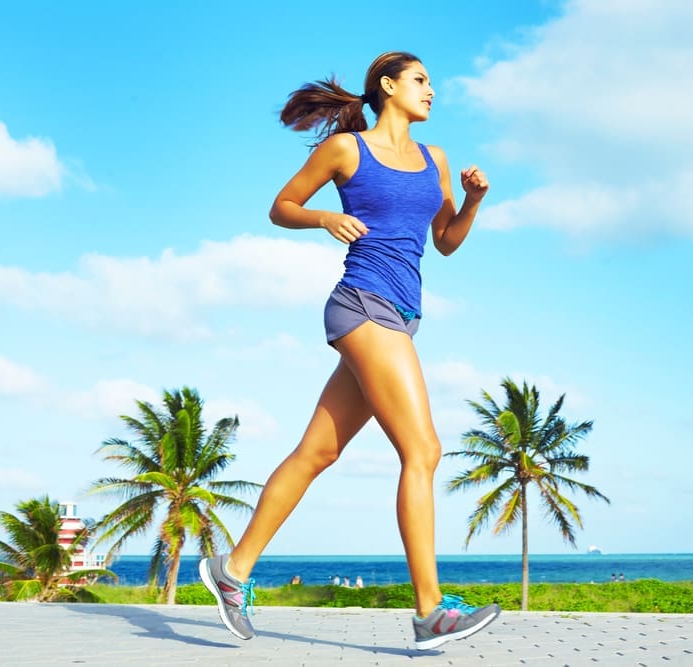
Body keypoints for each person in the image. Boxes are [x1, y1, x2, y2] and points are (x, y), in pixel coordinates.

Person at [198, 51, 500, 651]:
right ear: (388, 87)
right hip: (363, 305)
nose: (431, 91)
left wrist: (470, 203)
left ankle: (231, 572)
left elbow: (444, 243)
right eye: (420, 81)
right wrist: (323, 220)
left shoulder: (432, 158)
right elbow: (280, 206)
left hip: (401, 316)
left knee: (317, 453)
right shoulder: (348, 151)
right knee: (423, 449)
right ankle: (430, 611)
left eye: (431, 83)